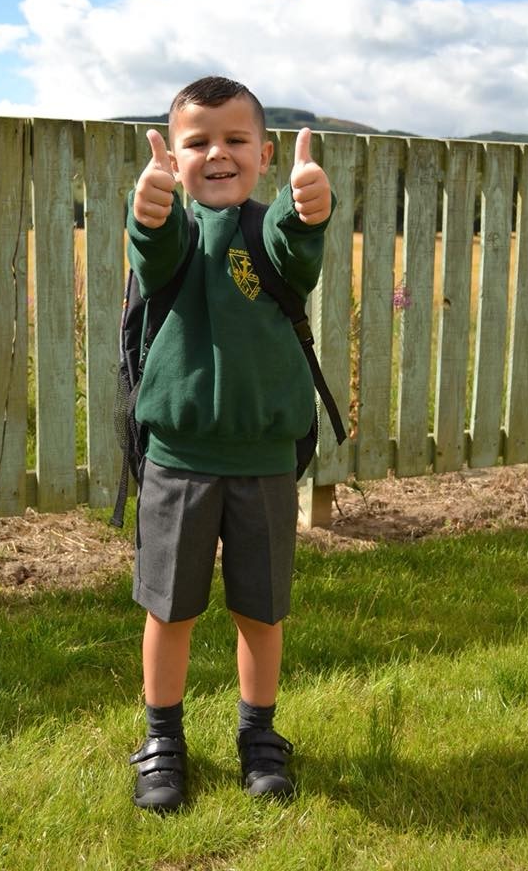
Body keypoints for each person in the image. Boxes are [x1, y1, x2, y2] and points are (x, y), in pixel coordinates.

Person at [126, 75, 335, 812]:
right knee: (170, 611)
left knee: (261, 610)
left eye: (236, 140)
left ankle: (259, 736)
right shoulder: (174, 232)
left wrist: (311, 206)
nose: (218, 153)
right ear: (175, 159)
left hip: (265, 465)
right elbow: (154, 240)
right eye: (198, 141)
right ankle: (162, 740)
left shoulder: (270, 234)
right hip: (179, 462)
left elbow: (296, 237)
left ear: (265, 153)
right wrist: (146, 211)